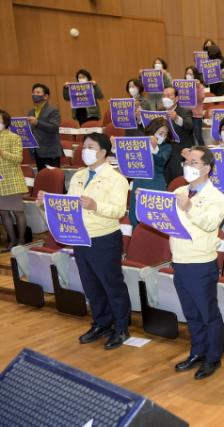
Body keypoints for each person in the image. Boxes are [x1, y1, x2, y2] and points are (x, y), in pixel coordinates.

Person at [38, 133, 130, 349]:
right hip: (80, 237)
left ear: (103, 152)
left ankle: (121, 327)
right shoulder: (79, 175)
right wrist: (46, 204)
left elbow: (118, 210)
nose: (85, 151)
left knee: (111, 284)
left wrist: (95, 205)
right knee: (91, 285)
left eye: (91, 147)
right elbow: (68, 205)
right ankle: (101, 323)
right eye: (84, 146)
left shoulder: (117, 179)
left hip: (103, 238)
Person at [171, 146, 224, 380]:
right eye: (187, 162)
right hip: (179, 259)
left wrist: (189, 207)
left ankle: (213, 358)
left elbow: (210, 223)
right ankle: (197, 352)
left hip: (200, 262)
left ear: (207, 168)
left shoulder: (217, 198)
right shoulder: (179, 190)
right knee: (191, 314)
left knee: (208, 314)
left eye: (194, 162)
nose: (188, 166)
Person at [127, 118, 172, 227]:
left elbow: (161, 161)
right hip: (139, 182)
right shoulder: (140, 143)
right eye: (160, 133)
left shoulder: (167, 147)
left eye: (165, 134)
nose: (162, 136)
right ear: (153, 131)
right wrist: (115, 147)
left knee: (153, 218)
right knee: (134, 215)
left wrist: (154, 148)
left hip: (156, 183)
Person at [0, 110, 28, 251]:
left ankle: (21, 241)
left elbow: (18, 159)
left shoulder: (14, 137)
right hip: (0, 182)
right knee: (3, 212)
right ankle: (12, 241)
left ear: (5, 122)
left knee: (18, 212)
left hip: (12, 181)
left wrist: (2, 153)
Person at [162, 87, 195, 184]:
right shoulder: (160, 111)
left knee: (179, 178)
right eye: (164, 96)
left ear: (176, 98)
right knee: (167, 177)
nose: (165, 98)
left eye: (169, 96)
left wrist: (176, 118)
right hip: (165, 149)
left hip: (181, 149)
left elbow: (189, 126)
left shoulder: (184, 111)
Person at [28, 83, 61, 170]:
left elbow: (54, 127)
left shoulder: (53, 110)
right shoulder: (31, 112)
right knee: (42, 177)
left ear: (45, 96)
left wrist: (37, 123)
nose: (35, 95)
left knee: (53, 177)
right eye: (33, 93)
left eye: (38, 92)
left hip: (50, 152)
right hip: (37, 152)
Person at [184, 66, 207, 146]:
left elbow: (201, 98)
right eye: (187, 74)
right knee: (189, 135)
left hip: (196, 115)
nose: (188, 76)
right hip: (186, 114)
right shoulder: (183, 86)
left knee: (198, 134)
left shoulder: (200, 86)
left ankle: (204, 149)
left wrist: (197, 86)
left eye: (191, 74)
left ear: (195, 75)